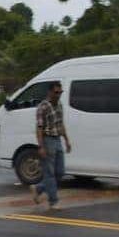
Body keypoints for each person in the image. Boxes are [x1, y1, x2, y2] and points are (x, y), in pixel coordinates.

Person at [33, 81, 71, 210]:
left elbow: (61, 124)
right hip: (47, 139)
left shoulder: (59, 105)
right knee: (49, 172)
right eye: (56, 92)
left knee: (60, 172)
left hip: (57, 139)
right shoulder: (42, 107)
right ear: (49, 92)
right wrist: (41, 146)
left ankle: (39, 188)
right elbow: (39, 128)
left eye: (60, 92)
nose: (58, 95)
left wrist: (66, 139)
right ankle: (53, 201)